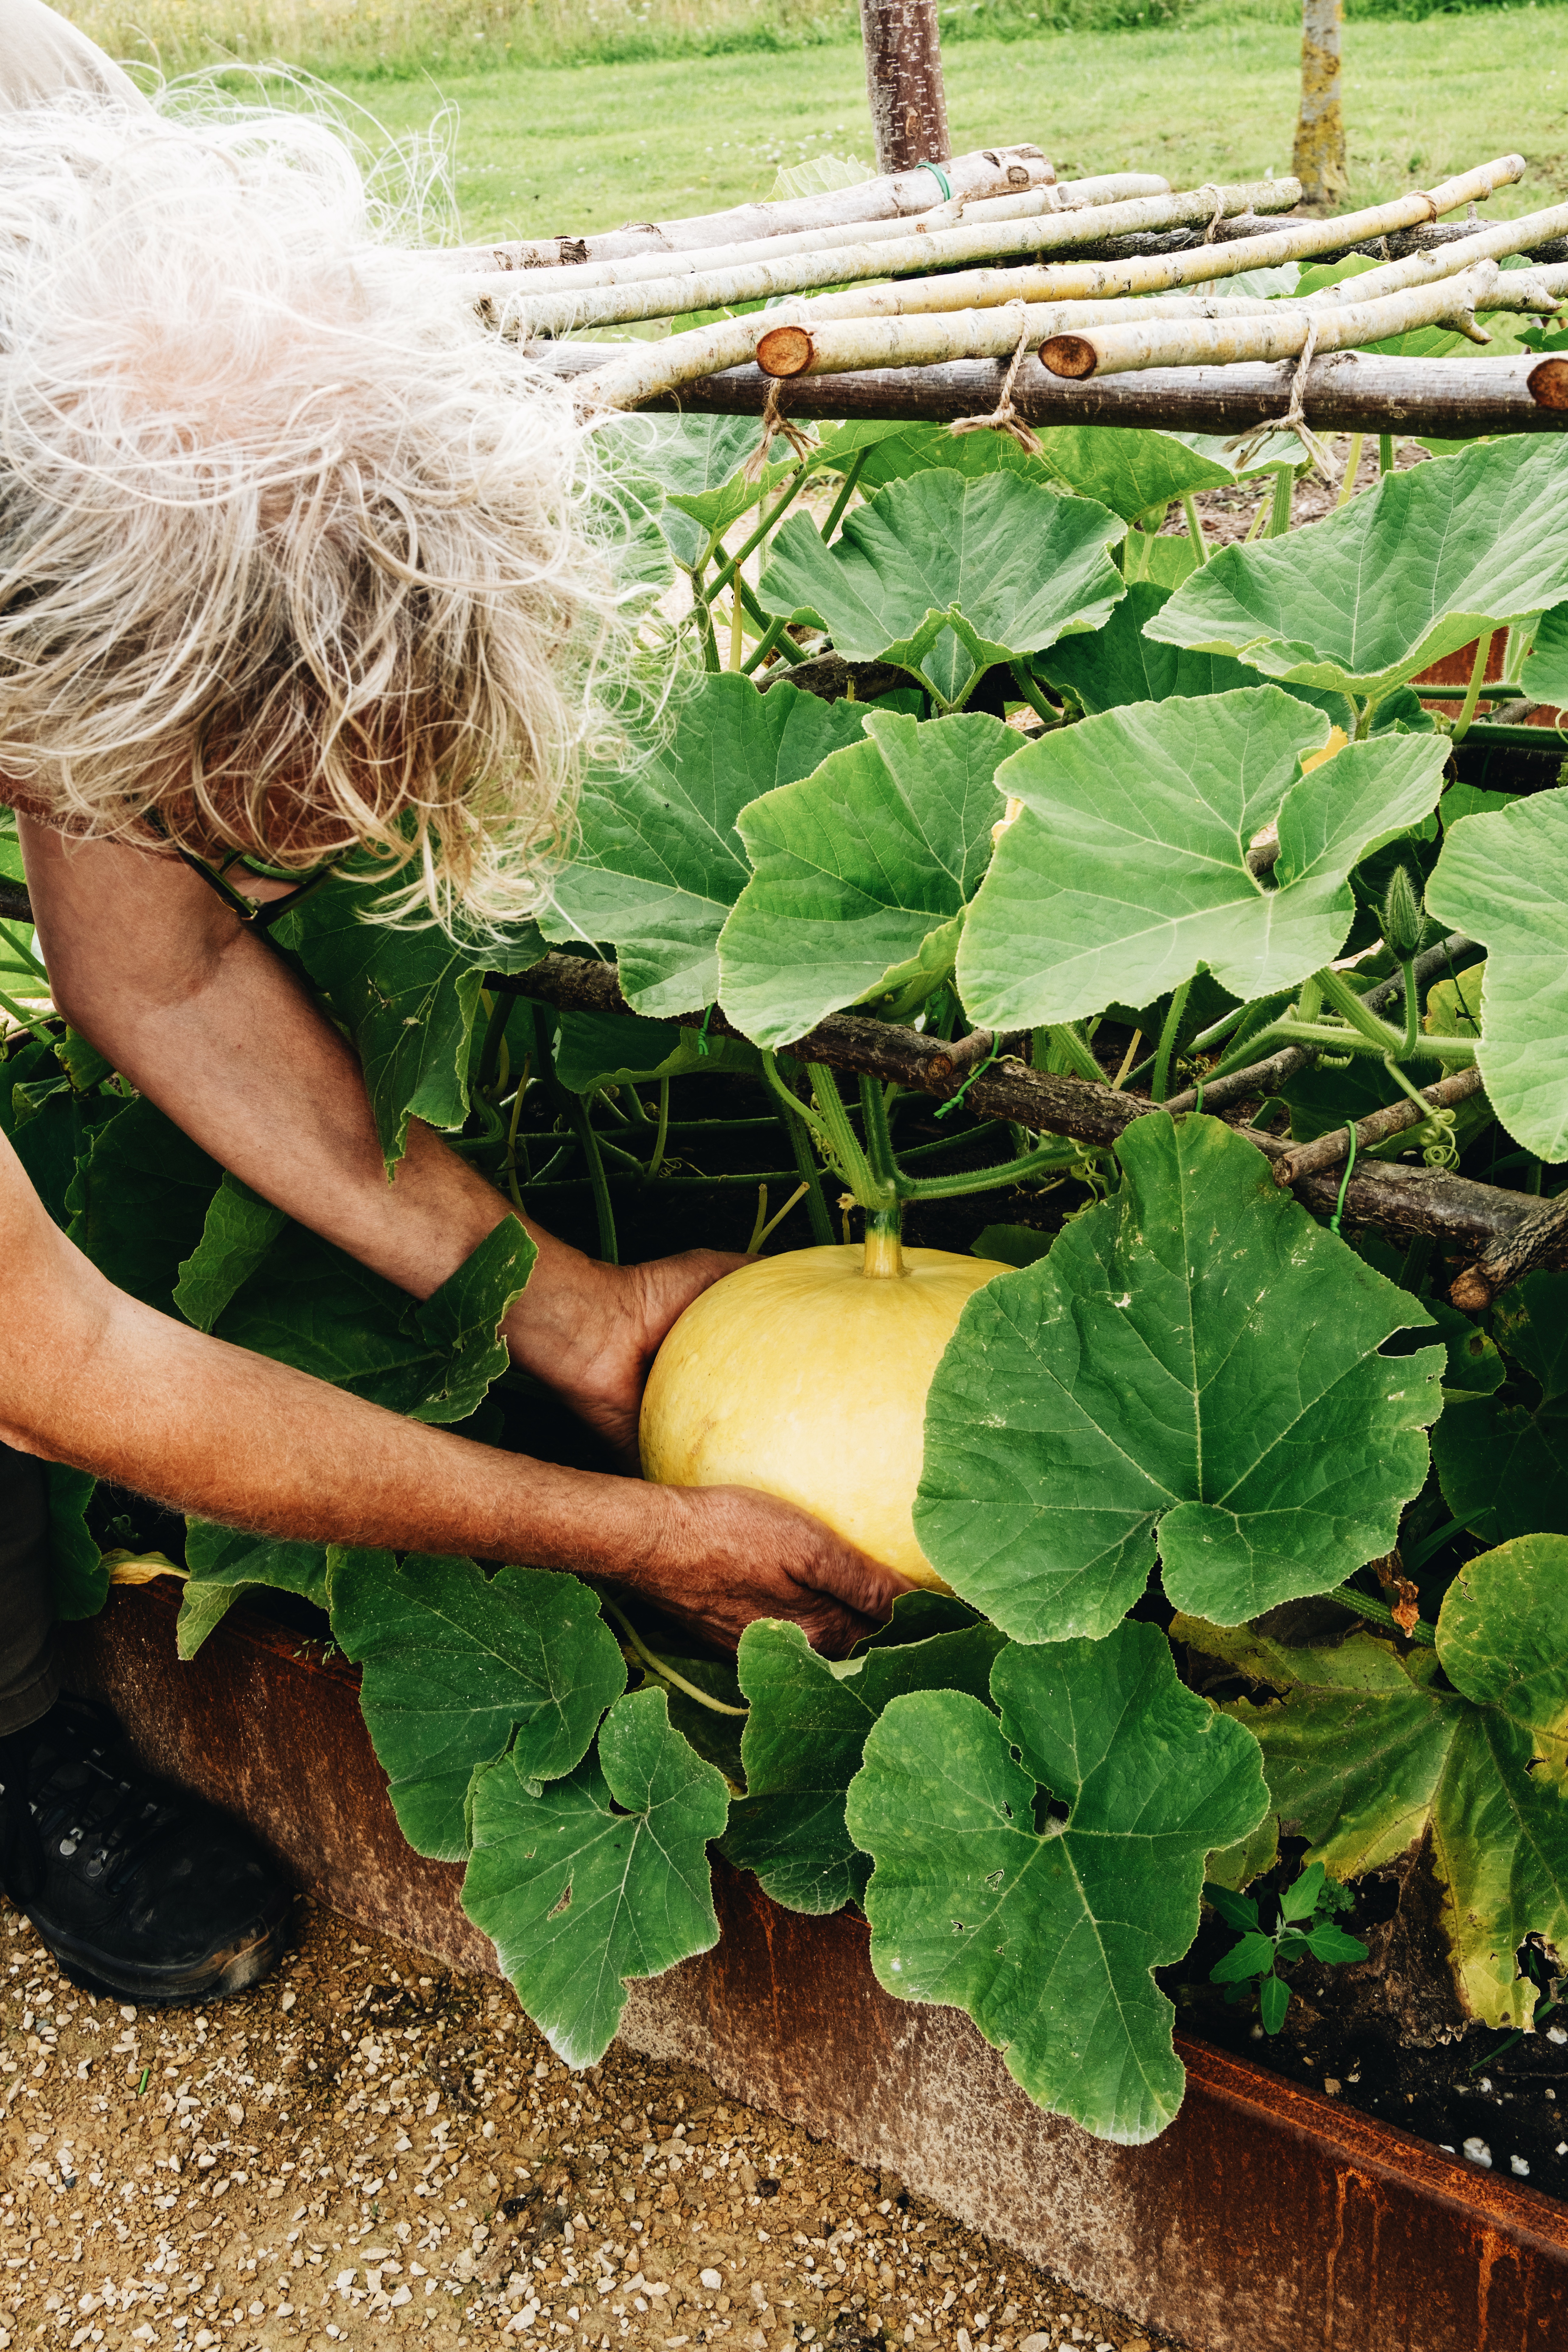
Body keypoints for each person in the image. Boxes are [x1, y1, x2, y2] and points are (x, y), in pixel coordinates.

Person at [0, 2, 906, 2005]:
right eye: (239, 810)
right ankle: (19, 1733)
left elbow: (166, 957)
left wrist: (560, 1308)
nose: (291, 862)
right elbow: (53, 1356)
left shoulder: (65, 166)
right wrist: (624, 1535)